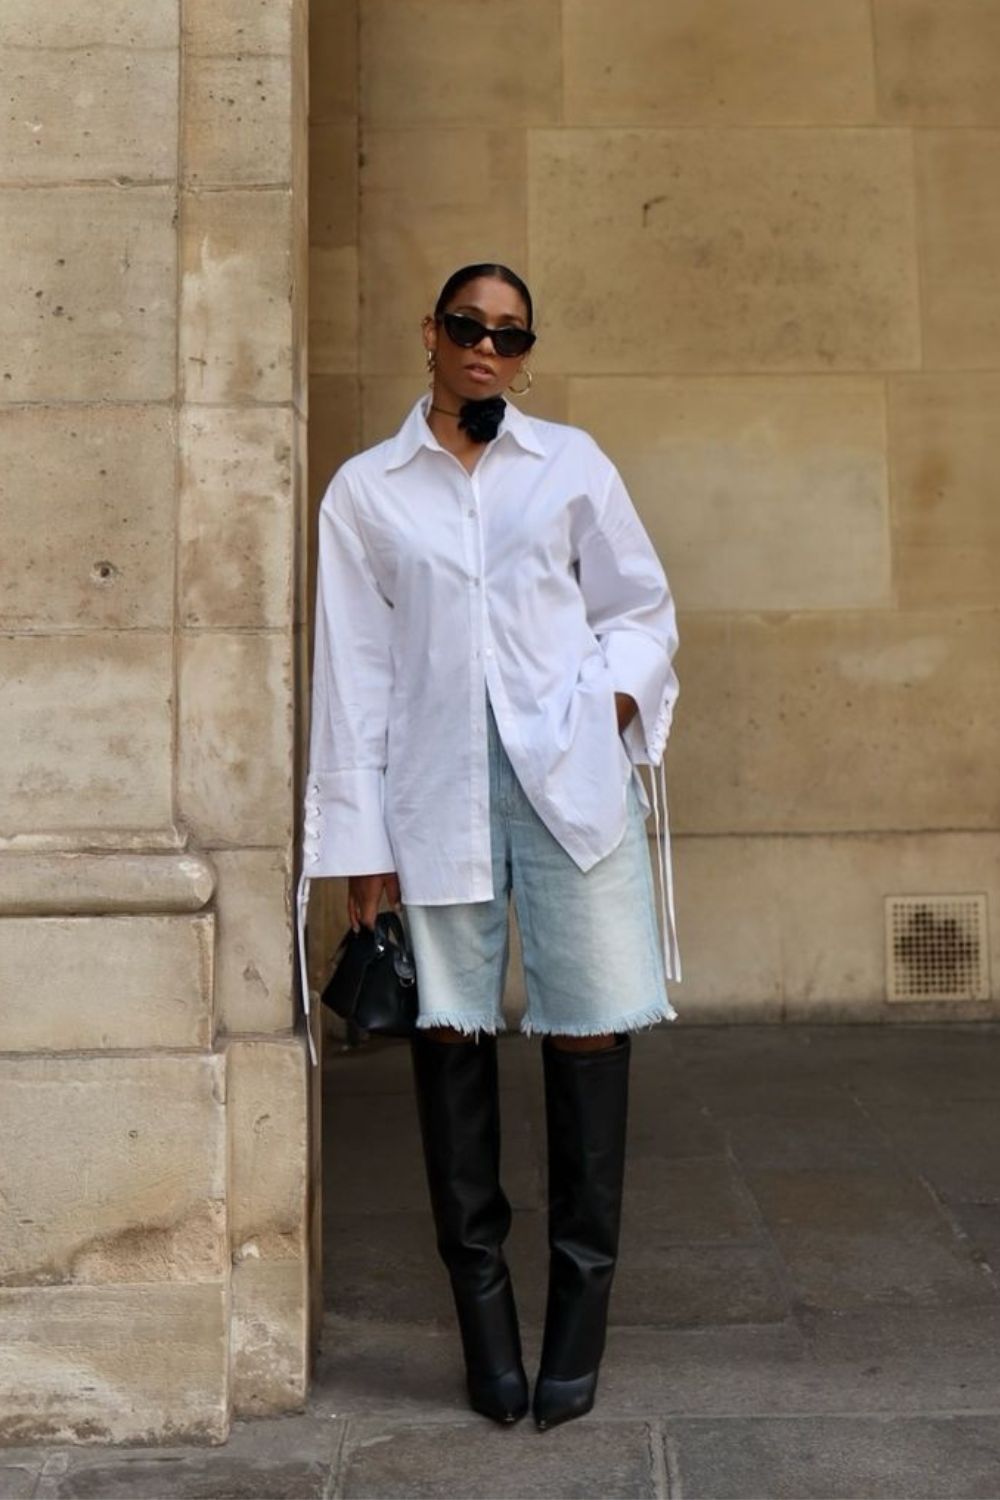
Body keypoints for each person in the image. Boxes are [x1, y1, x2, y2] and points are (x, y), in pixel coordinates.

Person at [297, 262, 681, 1431]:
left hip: (566, 784)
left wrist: (604, 710)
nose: (485, 351)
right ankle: (483, 1323)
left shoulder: (571, 464)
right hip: (433, 792)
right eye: (467, 328)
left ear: (526, 352)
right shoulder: (366, 492)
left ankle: (576, 1320)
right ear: (430, 334)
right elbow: (352, 674)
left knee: (591, 1020)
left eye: (509, 338)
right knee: (450, 1026)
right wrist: (362, 847)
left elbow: (640, 609)